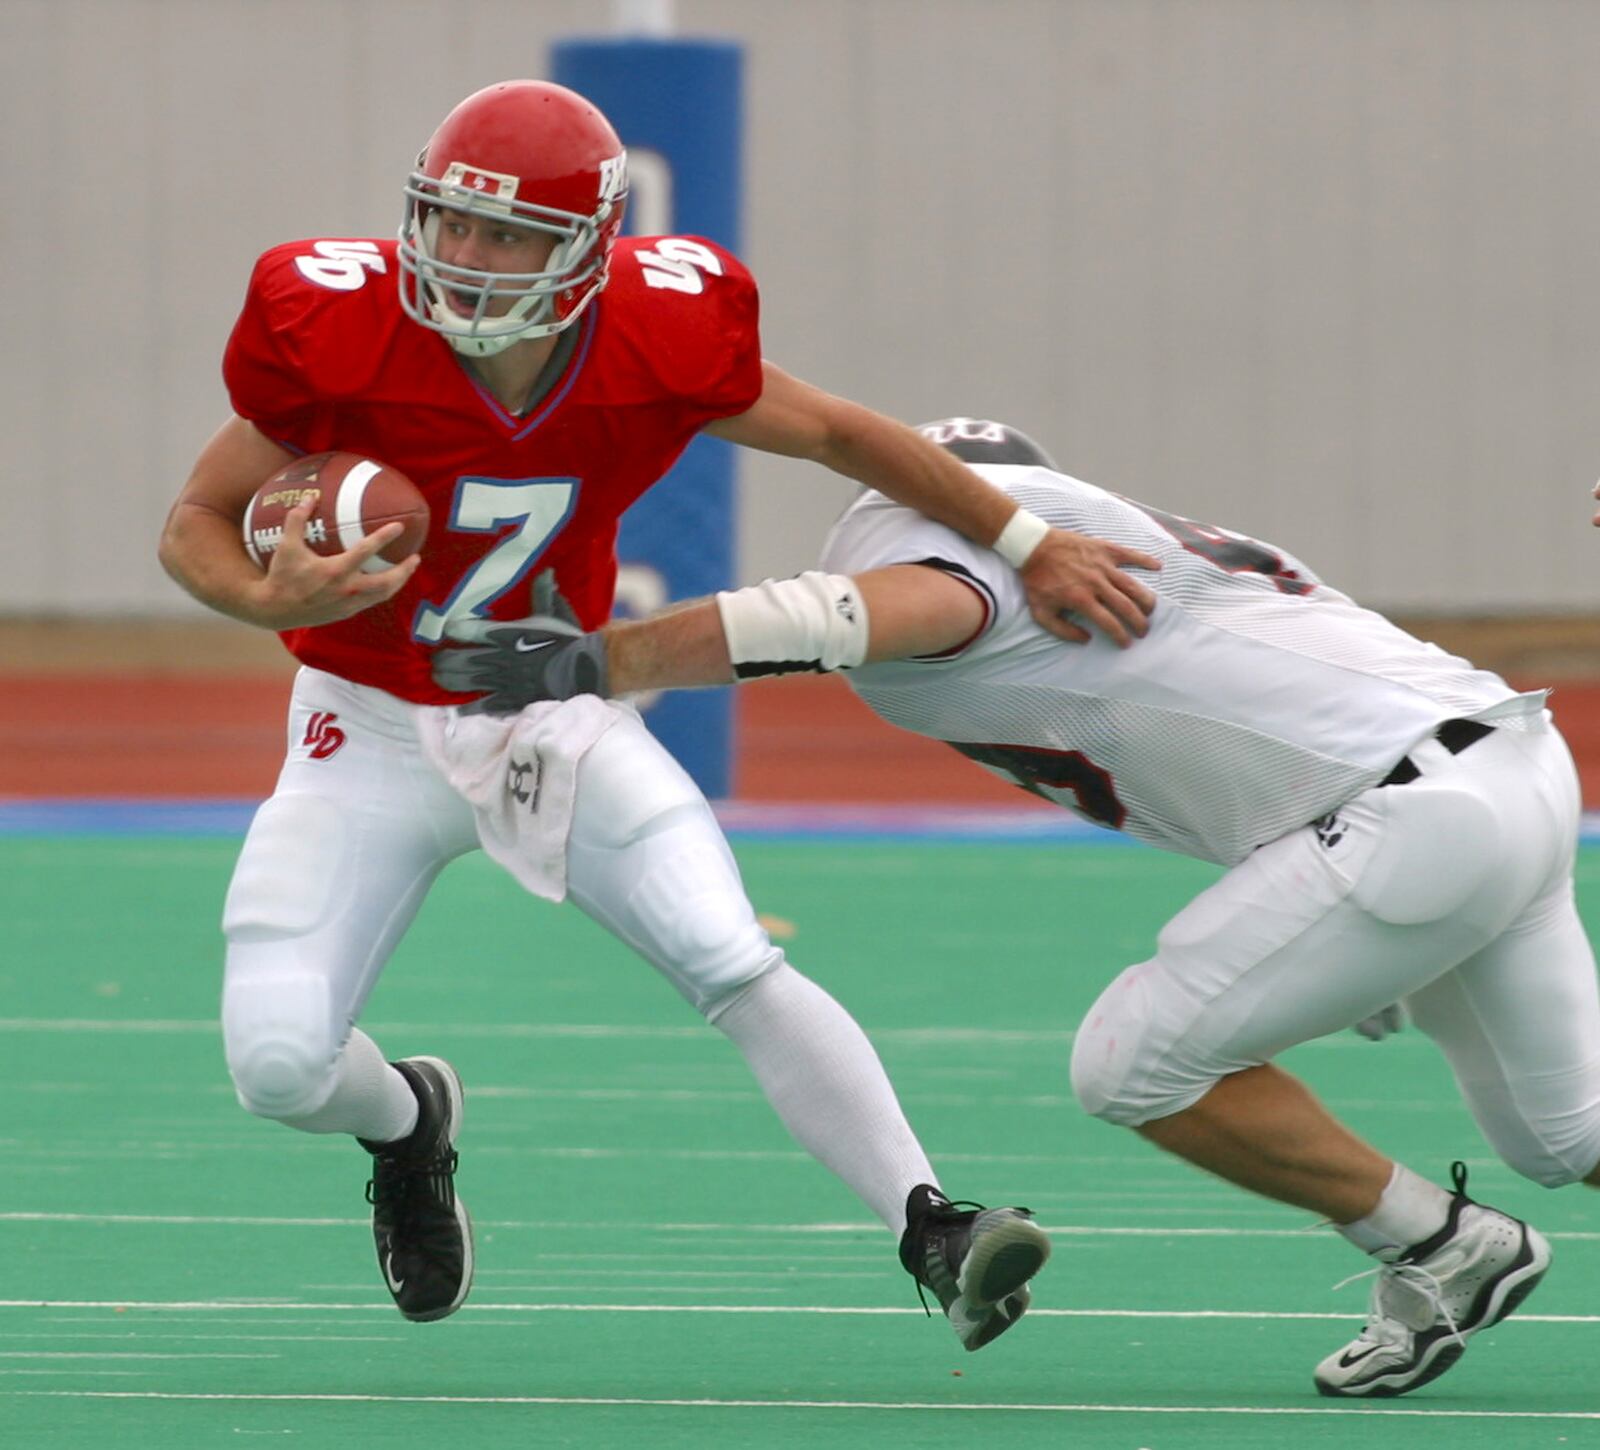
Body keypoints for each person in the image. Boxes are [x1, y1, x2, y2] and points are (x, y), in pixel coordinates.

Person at [150, 82, 1175, 1348]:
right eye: (449, 225)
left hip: (546, 717)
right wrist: (265, 592)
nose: (463, 260)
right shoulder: (337, 328)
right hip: (361, 719)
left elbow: (848, 434)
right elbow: (194, 519)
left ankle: (931, 1223)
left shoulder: (653, 335)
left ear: (584, 251)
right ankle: (410, 1122)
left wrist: (1029, 537)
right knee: (276, 1067)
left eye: (505, 235)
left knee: (729, 952)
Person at [437, 416, 1600, 1399]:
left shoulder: (956, 553)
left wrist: (593, 660)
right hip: (1511, 764)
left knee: (1128, 1062)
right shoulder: (1120, 526)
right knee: (1567, 1135)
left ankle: (1438, 1244)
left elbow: (827, 620)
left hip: (1412, 820)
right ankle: (1448, 1241)